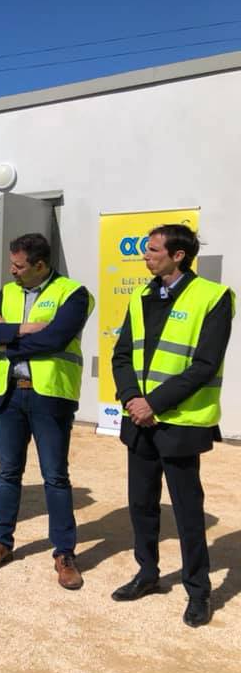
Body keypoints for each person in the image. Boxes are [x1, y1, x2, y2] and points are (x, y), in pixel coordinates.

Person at [110, 224, 234, 628]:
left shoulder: (214, 298)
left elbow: (204, 365)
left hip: (179, 423)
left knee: (187, 511)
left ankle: (198, 590)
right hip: (139, 421)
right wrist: (131, 399)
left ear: (178, 255)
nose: (146, 256)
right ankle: (147, 574)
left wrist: (154, 404)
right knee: (142, 505)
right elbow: (122, 354)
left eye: (153, 250)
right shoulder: (140, 295)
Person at [0, 233, 93, 589]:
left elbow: (56, 339)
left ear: (40, 266)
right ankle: (1, 543)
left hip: (49, 396)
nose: (12, 271)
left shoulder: (74, 293)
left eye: (19, 265)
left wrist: (6, 338)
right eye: (12, 263)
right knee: (8, 473)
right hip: (10, 394)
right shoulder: (8, 292)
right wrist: (24, 329)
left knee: (55, 476)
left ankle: (64, 553)